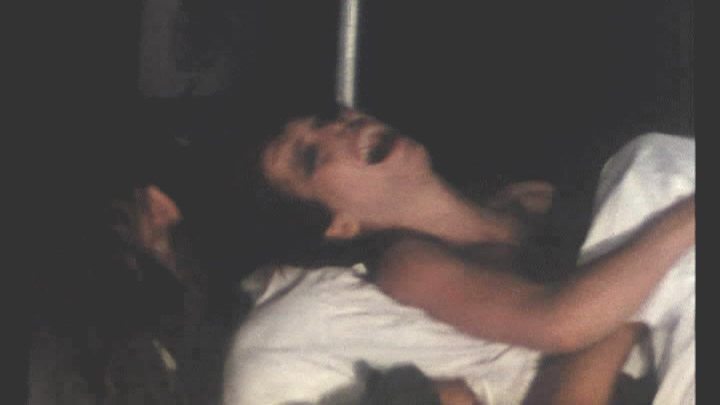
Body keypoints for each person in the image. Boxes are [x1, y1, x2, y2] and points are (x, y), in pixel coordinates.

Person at [251, 104, 694, 403]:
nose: (338, 128)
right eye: (311, 155)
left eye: (328, 117)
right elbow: (559, 324)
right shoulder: (408, 263)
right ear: (340, 225)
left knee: (650, 166)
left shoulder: (525, 198)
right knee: (647, 164)